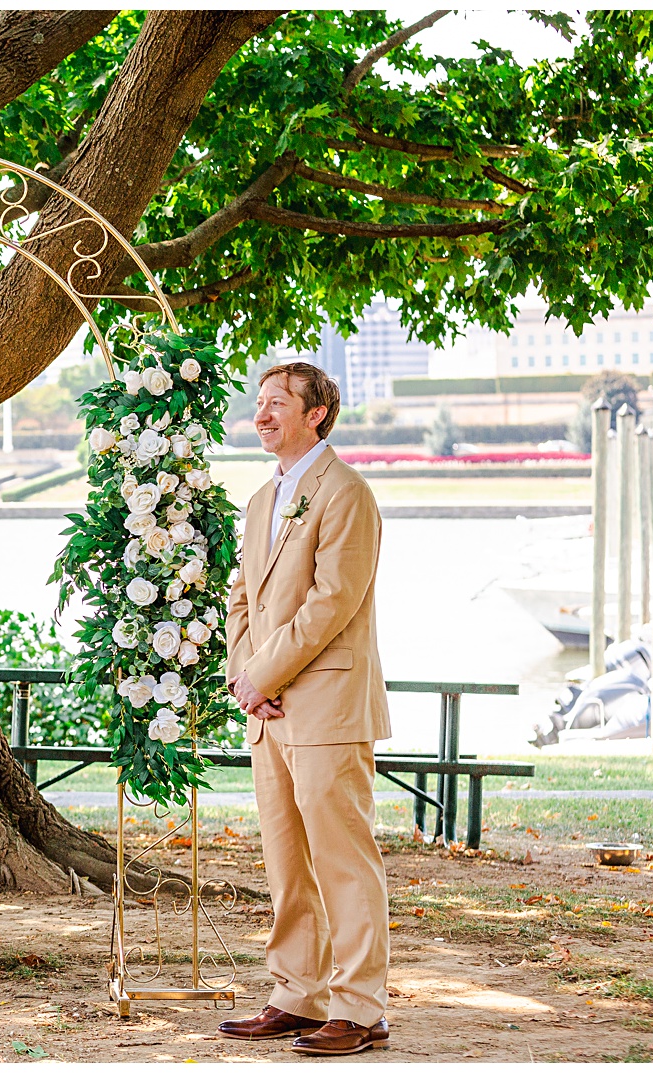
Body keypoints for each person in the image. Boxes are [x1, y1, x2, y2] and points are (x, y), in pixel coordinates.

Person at [217, 363, 393, 1056]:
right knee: (288, 861)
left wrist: (263, 673)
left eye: (277, 403)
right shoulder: (263, 500)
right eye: (258, 403)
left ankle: (360, 1005)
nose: (261, 414)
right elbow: (242, 598)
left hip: (328, 706)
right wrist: (242, 677)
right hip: (270, 711)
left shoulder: (346, 492)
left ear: (317, 412)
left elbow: (331, 605)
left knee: (343, 859)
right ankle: (297, 991)